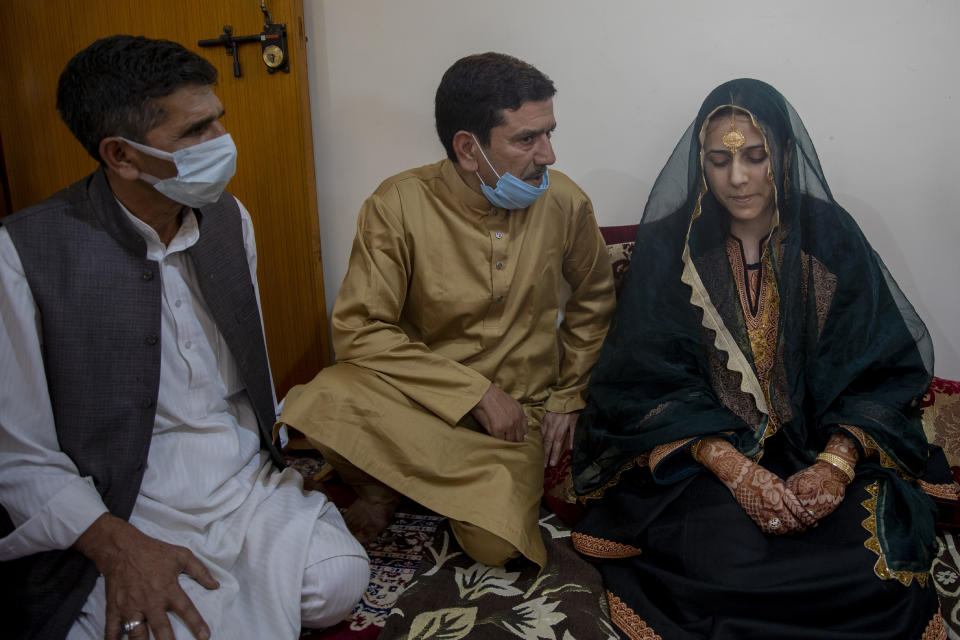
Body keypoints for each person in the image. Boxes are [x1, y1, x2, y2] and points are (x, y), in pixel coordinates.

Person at [0, 35, 368, 640]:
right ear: (121, 154)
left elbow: (247, 382)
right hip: (123, 496)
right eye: (195, 132)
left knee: (335, 582)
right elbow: (19, 454)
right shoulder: (24, 253)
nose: (222, 143)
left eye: (218, 119)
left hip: (239, 478)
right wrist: (116, 545)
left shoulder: (229, 217)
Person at [570, 78, 953, 639]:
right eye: (720, 160)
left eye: (756, 156)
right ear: (701, 163)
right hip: (708, 458)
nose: (739, 177)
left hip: (818, 444)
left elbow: (882, 365)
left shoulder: (830, 236)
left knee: (879, 573)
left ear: (786, 153)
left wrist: (835, 465)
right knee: (717, 561)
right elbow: (645, 378)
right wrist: (737, 471)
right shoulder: (671, 248)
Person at [278, 52, 616, 568]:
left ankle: (416, 475)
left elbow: (594, 298)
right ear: (467, 148)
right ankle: (379, 490)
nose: (547, 153)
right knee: (321, 401)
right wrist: (473, 391)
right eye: (527, 138)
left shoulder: (566, 202)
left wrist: (569, 395)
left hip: (512, 422)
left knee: (497, 548)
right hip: (421, 402)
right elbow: (361, 329)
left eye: (548, 133)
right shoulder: (397, 205)